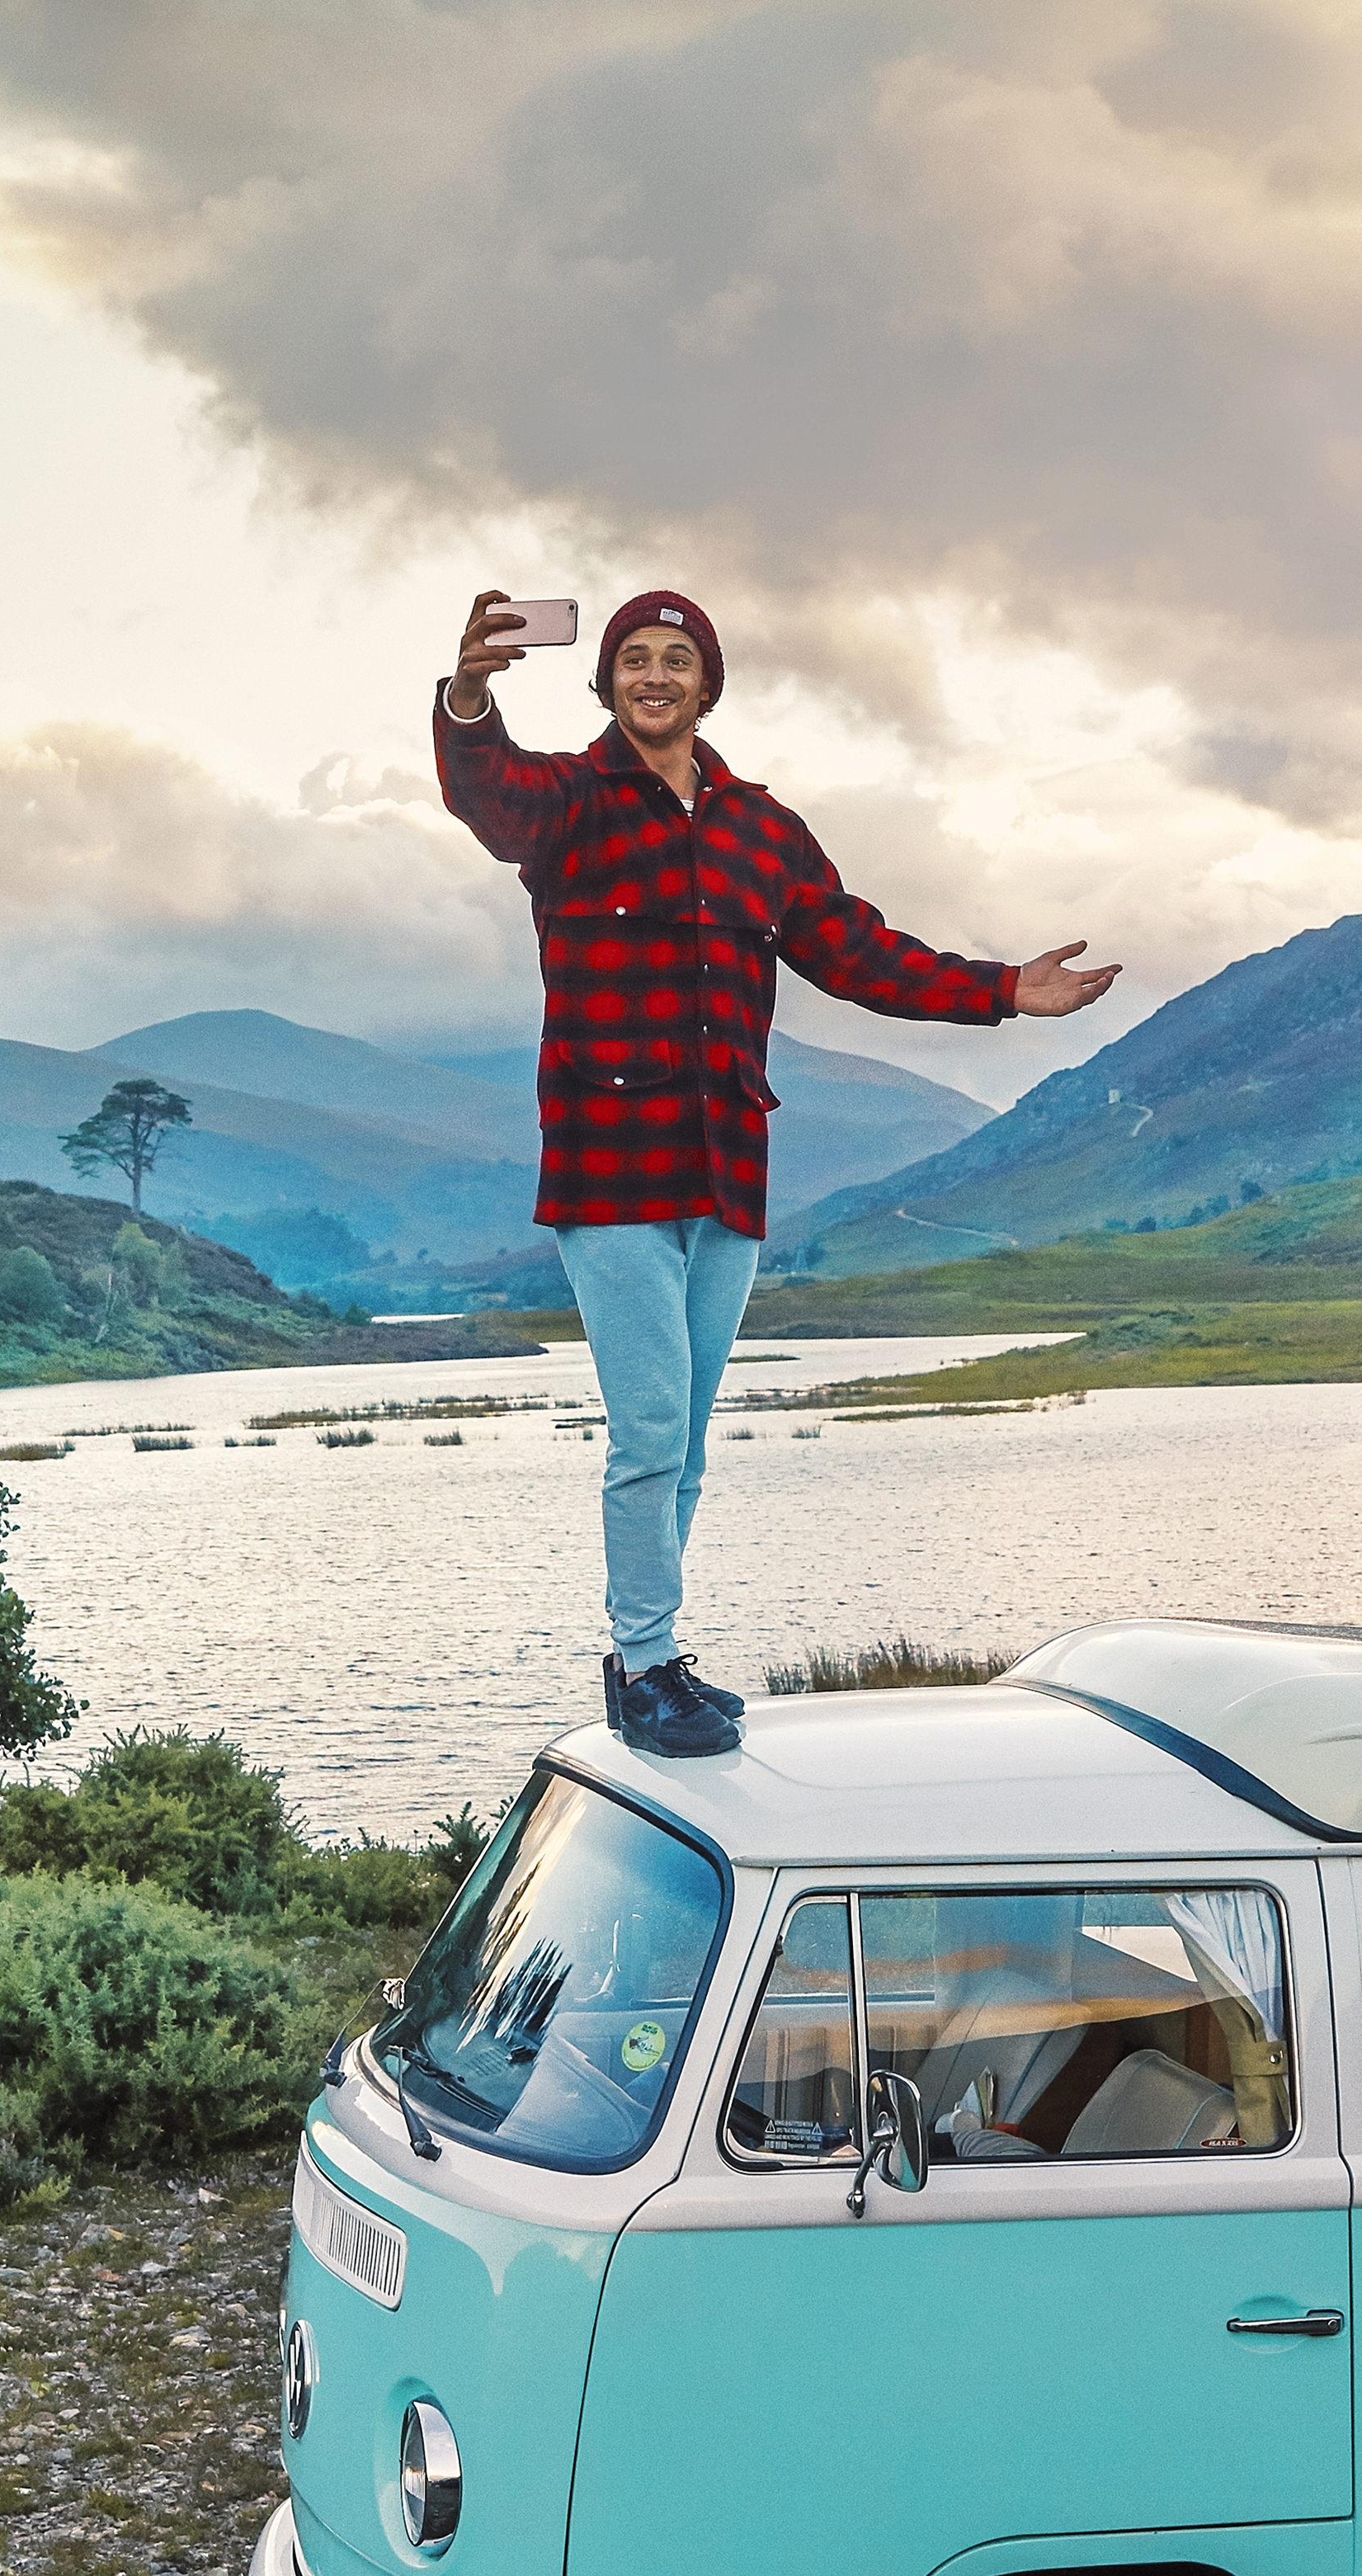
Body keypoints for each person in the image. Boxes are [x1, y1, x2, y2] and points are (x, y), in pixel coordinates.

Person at [429, 584, 1115, 1754]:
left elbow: (857, 951)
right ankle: (644, 1663)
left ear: (708, 684)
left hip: (727, 1170)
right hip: (608, 1169)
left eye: (676, 659)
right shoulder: (566, 803)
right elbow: (483, 791)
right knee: (647, 1429)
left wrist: (1003, 990)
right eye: (634, 659)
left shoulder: (761, 829)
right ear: (607, 684)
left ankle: (654, 1658)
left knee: (685, 1441)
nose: (655, 675)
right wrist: (470, 693)